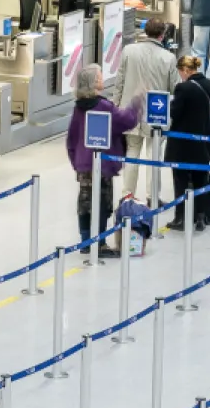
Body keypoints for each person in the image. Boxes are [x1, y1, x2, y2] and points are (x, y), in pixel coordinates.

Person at [65, 64, 137, 257]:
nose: (102, 79)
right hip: (102, 164)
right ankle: (100, 243)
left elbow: (71, 138)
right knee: (103, 203)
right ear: (92, 83)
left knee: (85, 202)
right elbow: (126, 121)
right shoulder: (103, 106)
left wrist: (77, 161)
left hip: (84, 164)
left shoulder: (78, 108)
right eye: (99, 77)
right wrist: (136, 103)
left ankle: (86, 241)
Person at [114, 18, 179, 211]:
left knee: (132, 153)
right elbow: (174, 89)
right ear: (162, 35)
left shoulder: (129, 51)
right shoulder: (168, 58)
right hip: (156, 114)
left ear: (145, 31)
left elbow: (120, 82)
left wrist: (116, 108)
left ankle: (127, 196)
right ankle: (153, 197)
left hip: (131, 111)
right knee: (154, 156)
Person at [167, 53, 210, 231]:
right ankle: (201, 217)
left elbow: (174, 113)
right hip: (203, 140)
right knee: (200, 179)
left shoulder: (183, 88)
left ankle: (181, 218)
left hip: (182, 143)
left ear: (185, 70)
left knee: (180, 180)